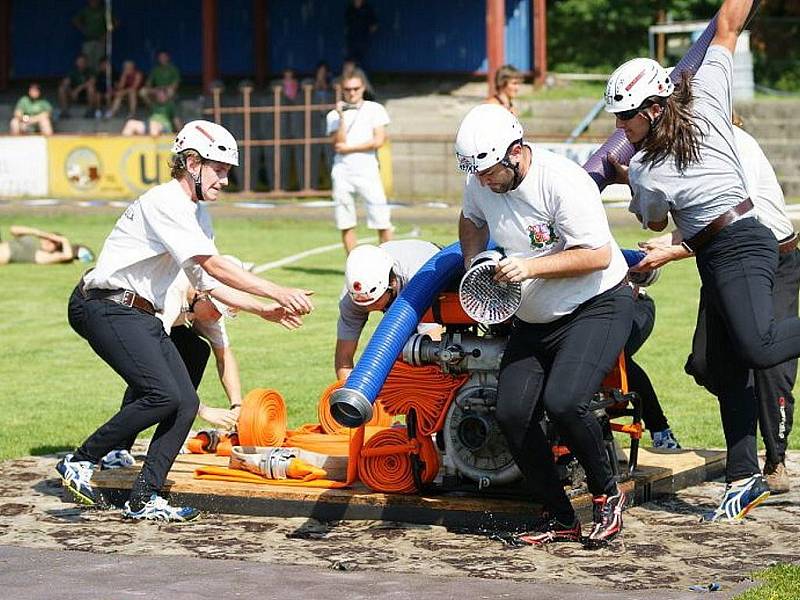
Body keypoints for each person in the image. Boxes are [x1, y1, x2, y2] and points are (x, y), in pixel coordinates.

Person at [56, 120, 314, 522]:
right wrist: (276, 291)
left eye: (227, 171)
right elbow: (214, 266)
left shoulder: (197, 214)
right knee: (162, 395)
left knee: (185, 401)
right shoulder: (166, 201)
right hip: (104, 304)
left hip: (137, 311)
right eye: (220, 169)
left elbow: (207, 282)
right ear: (191, 162)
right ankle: (81, 460)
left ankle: (145, 497)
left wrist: (264, 310)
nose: (225, 180)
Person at [603, 0, 795, 521]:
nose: (619, 125)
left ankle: (755, 468)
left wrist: (635, 179)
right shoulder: (702, 98)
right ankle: (742, 476)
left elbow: (656, 223)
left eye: (626, 115)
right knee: (716, 364)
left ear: (653, 108)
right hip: (714, 255)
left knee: (757, 347)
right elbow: (728, 26)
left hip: (745, 242)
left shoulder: (649, 163)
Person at [456, 104, 633, 548]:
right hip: (536, 317)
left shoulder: (562, 181)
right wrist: (474, 259)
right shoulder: (480, 179)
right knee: (512, 413)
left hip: (597, 303)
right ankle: (557, 515)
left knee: (566, 401)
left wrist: (531, 268)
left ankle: (607, 495)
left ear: (516, 152)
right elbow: (471, 219)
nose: (483, 182)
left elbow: (597, 255)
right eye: (477, 174)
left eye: (491, 171)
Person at [639, 115, 798, 493]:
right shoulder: (687, 148)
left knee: (765, 360)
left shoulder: (725, 143)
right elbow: (698, 209)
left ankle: (773, 461)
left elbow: (733, 211)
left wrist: (675, 248)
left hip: (770, 256)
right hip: (726, 261)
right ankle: (744, 475)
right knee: (712, 363)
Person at [101, 255, 255, 470]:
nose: (216, 318)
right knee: (150, 382)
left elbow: (224, 356)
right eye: (217, 311)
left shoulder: (206, 310)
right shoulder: (173, 292)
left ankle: (171, 435)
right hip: (118, 314)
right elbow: (153, 356)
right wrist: (202, 409)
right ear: (203, 294)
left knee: (196, 350)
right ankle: (115, 448)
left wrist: (237, 405)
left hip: (159, 326)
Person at [335, 240, 440, 381]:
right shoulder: (353, 297)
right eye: (364, 305)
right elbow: (344, 358)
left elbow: (434, 340)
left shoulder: (417, 282)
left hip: (435, 269)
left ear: (392, 284)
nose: (368, 308)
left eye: (375, 301)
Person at [326, 69, 392, 254]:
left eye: (355, 88)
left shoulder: (375, 109)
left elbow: (379, 140)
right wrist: (340, 117)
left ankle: (391, 262)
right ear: (342, 90)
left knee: (381, 218)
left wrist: (351, 148)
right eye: (348, 89)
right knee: (345, 220)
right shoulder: (333, 114)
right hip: (343, 170)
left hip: (367, 169)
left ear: (363, 87)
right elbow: (338, 144)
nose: (352, 92)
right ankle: (353, 264)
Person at [0, 225, 93, 265]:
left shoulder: (43, 256)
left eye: (54, 243)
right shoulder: (35, 240)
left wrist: (63, 240)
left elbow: (67, 255)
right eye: (50, 239)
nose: (49, 242)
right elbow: (13, 229)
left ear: (55, 249)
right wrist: (41, 234)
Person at [72, 0, 108, 70]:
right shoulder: (86, 11)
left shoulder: (103, 11)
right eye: (91, 1)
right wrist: (83, 29)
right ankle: (88, 78)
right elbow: (75, 20)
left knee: (99, 61)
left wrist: (106, 35)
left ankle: (98, 79)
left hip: (99, 40)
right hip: (88, 40)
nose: (93, 2)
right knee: (87, 61)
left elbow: (115, 22)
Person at [58, 54, 97, 119]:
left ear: (86, 63)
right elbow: (66, 82)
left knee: (91, 88)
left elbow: (91, 82)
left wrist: (77, 90)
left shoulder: (91, 70)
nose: (81, 64)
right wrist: (71, 91)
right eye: (79, 62)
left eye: (83, 62)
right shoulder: (72, 71)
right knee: (61, 88)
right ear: (76, 63)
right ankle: (64, 111)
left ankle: (90, 110)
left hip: (86, 95)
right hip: (74, 95)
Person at [345, 0, 378, 69]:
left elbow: (374, 25)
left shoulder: (367, 8)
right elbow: (347, 25)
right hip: (352, 42)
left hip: (364, 42)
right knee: (351, 62)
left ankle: (363, 78)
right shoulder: (350, 9)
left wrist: (367, 35)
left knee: (364, 63)